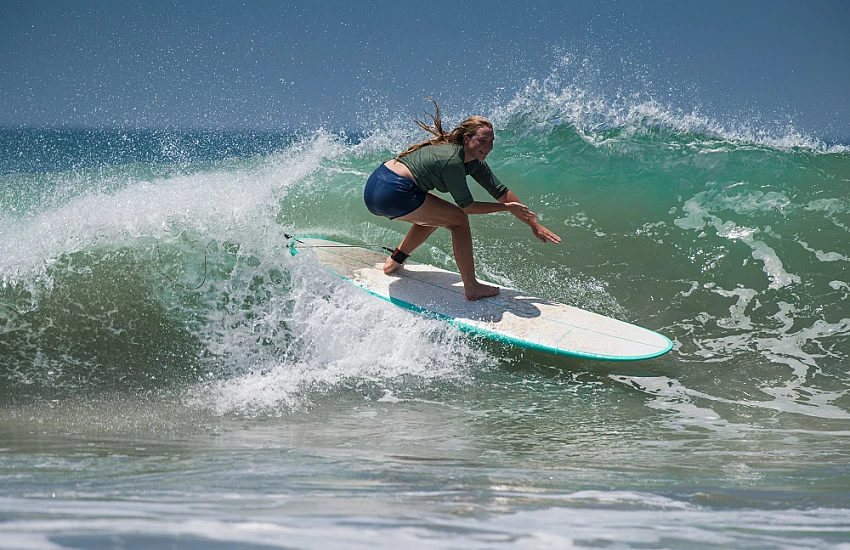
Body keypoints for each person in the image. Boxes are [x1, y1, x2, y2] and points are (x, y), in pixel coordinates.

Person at [364, 100, 561, 301]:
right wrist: (505, 208)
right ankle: (472, 286)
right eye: (482, 141)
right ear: (467, 139)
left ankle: (394, 261)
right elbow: (467, 207)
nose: (488, 147)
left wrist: (533, 225)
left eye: (491, 142)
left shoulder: (472, 161)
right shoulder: (453, 161)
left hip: (377, 184)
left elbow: (501, 191)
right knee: (457, 219)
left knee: (439, 213)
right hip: (393, 192)